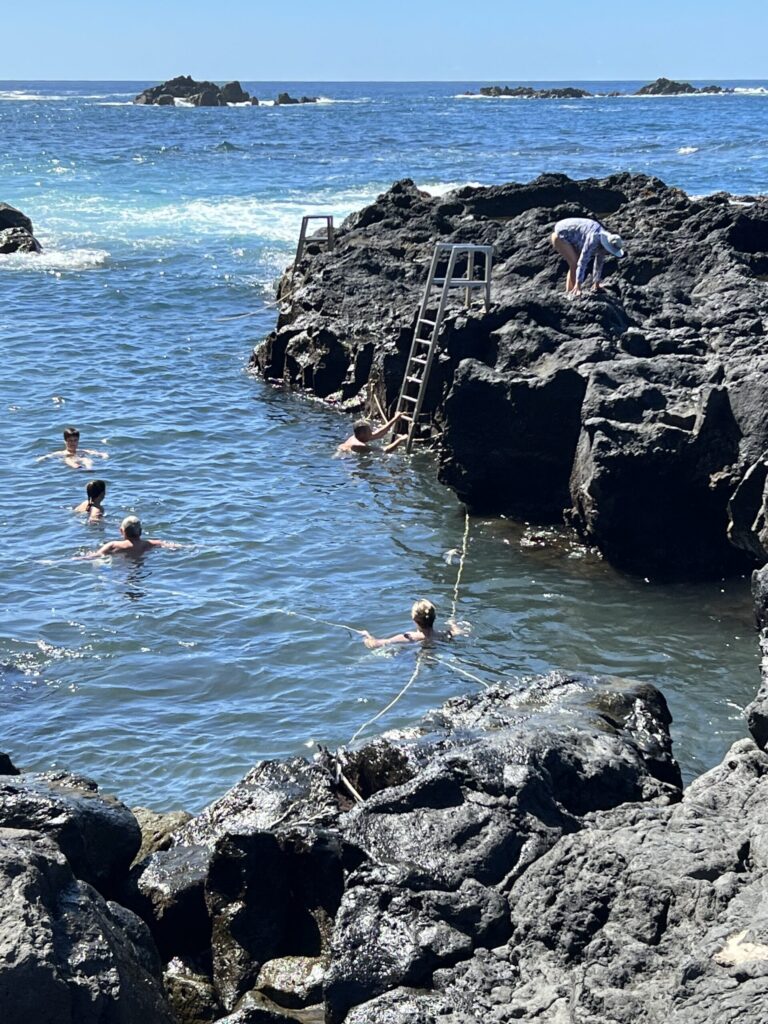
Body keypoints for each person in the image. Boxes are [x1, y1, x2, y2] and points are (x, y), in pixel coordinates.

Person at [550, 217, 625, 295]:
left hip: (575, 235)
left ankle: (569, 292)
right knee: (575, 263)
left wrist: (596, 283)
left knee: (575, 262)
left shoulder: (606, 240)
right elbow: (582, 262)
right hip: (561, 233)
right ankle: (571, 292)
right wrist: (578, 285)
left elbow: (599, 262)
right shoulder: (594, 239)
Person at [361, 599, 462, 649]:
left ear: (414, 619)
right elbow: (458, 632)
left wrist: (367, 636)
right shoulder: (444, 634)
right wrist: (453, 623)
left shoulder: (408, 637)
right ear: (434, 617)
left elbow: (376, 644)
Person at [83, 516, 179, 558]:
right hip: (142, 568)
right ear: (141, 531)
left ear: (121, 531)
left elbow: (96, 555)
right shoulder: (148, 544)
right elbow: (170, 545)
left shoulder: (113, 545)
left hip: (123, 568)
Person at [37, 426, 108, 470]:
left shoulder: (82, 451)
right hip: (71, 462)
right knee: (68, 459)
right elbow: (50, 456)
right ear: (65, 441)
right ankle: (78, 468)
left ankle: (89, 470)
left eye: (75, 440)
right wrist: (42, 458)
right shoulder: (61, 453)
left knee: (87, 459)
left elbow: (96, 453)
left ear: (78, 441)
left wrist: (103, 455)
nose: (73, 443)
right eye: (70, 441)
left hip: (80, 459)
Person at [338, 415, 407, 453]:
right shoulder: (360, 445)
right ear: (362, 434)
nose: (372, 432)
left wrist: (394, 419)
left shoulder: (356, 437)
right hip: (344, 459)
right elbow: (385, 450)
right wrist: (400, 440)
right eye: (369, 431)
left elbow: (380, 433)